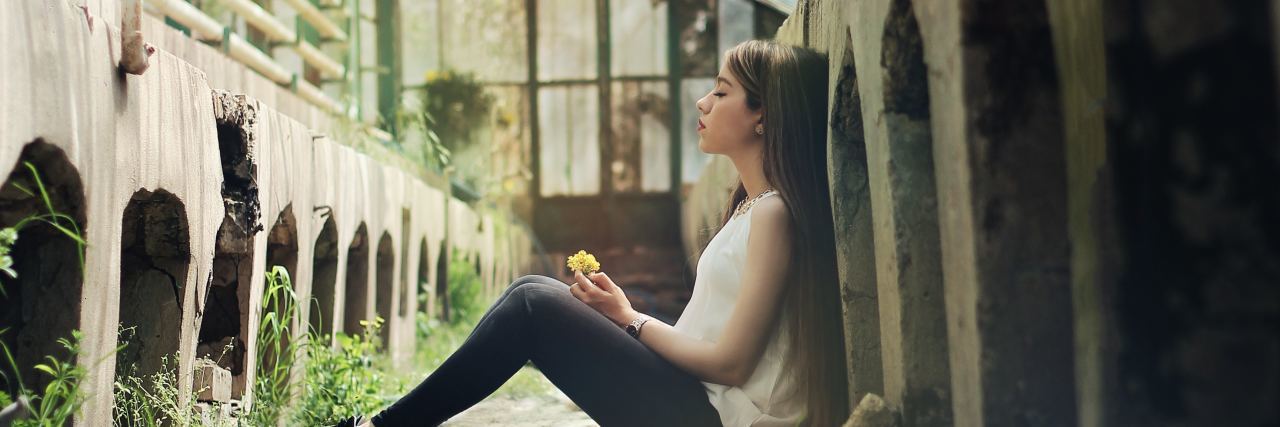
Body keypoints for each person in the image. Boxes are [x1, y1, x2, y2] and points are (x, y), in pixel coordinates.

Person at [338, 39, 848, 427]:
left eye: (721, 91)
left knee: (533, 304)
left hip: (717, 418)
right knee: (527, 291)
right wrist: (623, 311)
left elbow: (733, 364)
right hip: (696, 401)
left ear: (763, 115)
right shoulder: (749, 209)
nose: (702, 104)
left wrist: (630, 321)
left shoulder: (775, 214)